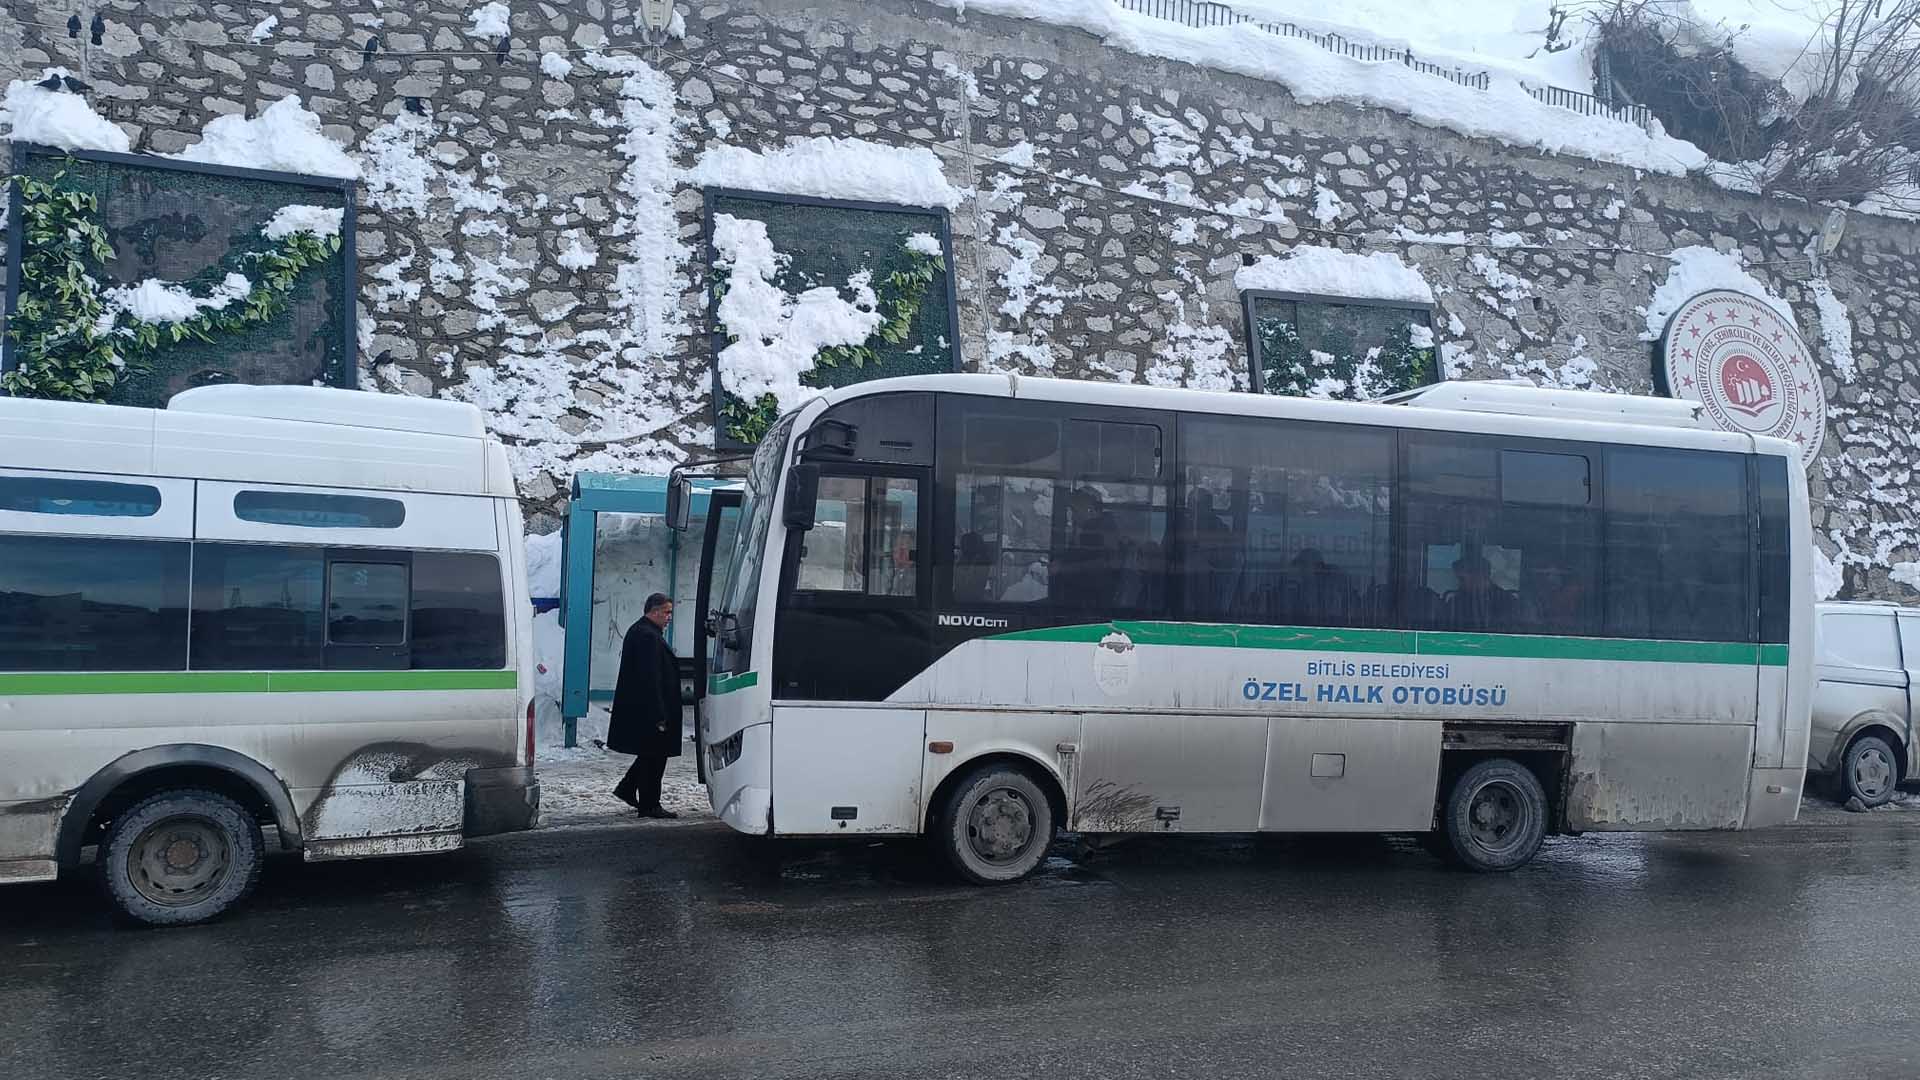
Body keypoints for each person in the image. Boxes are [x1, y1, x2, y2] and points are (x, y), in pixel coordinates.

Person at [609, 592, 682, 819]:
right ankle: (649, 804)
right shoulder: (647, 636)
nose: (669, 617)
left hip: (646, 709)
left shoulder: (644, 632)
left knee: (651, 754)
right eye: (667, 612)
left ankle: (628, 788)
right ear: (655, 611)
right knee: (655, 757)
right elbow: (650, 678)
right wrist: (659, 714)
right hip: (651, 710)